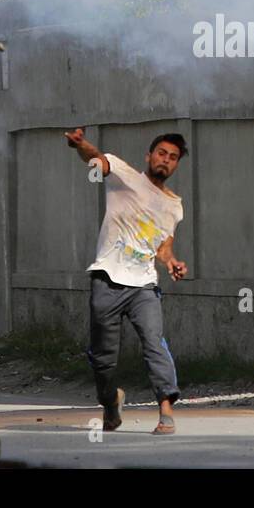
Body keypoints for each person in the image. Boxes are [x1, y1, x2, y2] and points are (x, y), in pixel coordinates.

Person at [65, 128, 188, 435]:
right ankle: (110, 402)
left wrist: (171, 261)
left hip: (143, 285)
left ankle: (166, 412)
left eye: (173, 158)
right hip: (107, 277)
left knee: (154, 342)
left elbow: (163, 246)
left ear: (176, 165)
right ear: (149, 156)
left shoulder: (173, 205)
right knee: (103, 358)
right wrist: (80, 145)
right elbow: (95, 158)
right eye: (162, 153)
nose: (166, 160)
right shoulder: (122, 173)